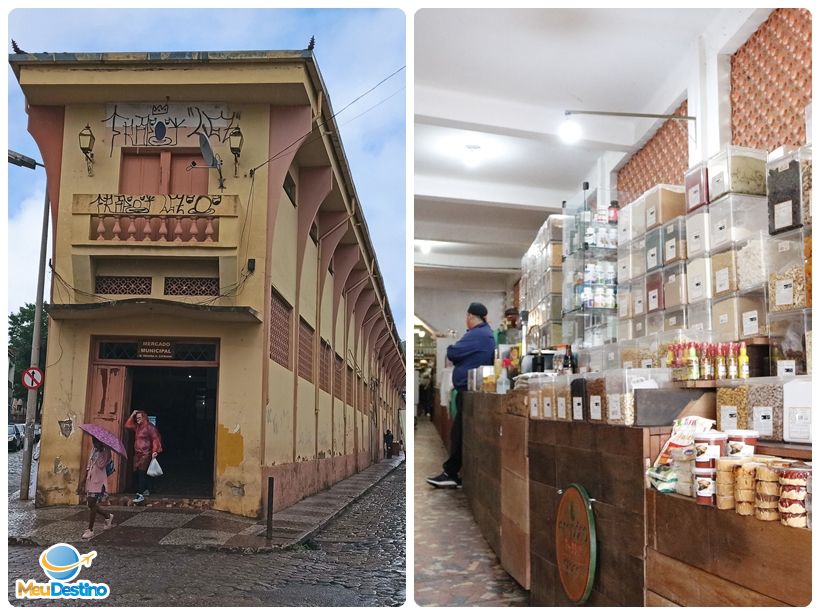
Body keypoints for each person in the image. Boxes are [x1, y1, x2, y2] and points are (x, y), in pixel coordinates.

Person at [427, 302, 496, 488]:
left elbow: (452, 352)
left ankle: (451, 473)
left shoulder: (477, 334)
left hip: (467, 389)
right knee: (459, 432)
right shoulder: (486, 334)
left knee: (458, 434)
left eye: (467, 316)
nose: (466, 320)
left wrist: (456, 353)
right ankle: (452, 472)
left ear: (471, 316)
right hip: (470, 389)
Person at [124, 410, 163, 503]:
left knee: (142, 472)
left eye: (139, 418)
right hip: (137, 454)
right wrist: (132, 415)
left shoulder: (150, 427)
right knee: (139, 472)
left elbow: (155, 439)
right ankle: (146, 489)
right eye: (136, 418)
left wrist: (155, 451)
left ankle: (140, 494)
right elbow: (127, 425)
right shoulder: (137, 427)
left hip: (146, 453)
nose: (137, 420)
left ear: (144, 418)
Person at [82, 436, 114, 539]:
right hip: (91, 478)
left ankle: (90, 530)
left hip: (99, 480)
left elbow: (101, 465)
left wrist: (101, 451)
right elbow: (89, 464)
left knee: (92, 503)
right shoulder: (94, 449)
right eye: (93, 441)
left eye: (96, 442)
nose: (94, 444)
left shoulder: (106, 451)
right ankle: (107, 516)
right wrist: (83, 479)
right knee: (91, 504)